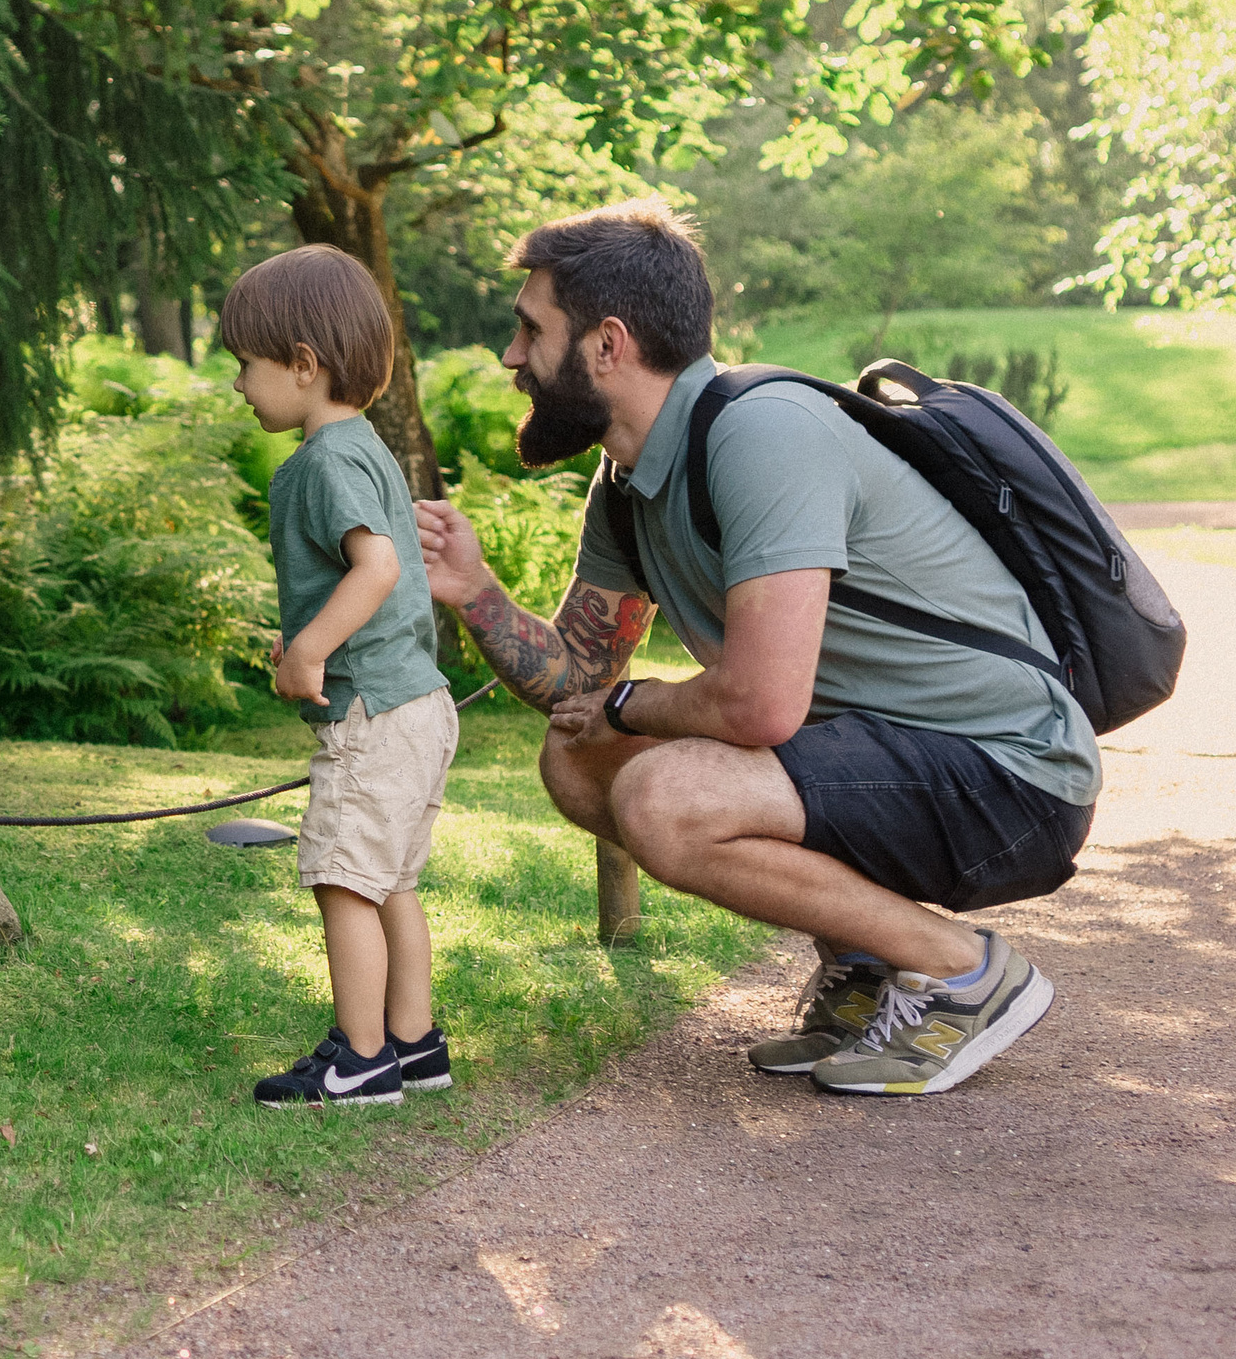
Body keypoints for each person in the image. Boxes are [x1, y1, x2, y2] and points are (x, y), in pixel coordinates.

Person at [413, 198, 1091, 1096]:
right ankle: (865, 968)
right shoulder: (629, 483)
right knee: (585, 759)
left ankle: (965, 971)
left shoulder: (760, 433)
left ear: (607, 344)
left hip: (1010, 775)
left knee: (664, 790)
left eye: (530, 330)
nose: (511, 357)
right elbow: (581, 683)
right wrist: (476, 592)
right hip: (885, 757)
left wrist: (632, 703)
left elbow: (759, 705)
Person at [222, 244, 460, 1108]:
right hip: (417, 704)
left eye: (246, 365)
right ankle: (413, 1043)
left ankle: (359, 1063)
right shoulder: (364, 447)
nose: (240, 385)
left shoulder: (324, 462)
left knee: (343, 880)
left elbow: (377, 567)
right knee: (391, 881)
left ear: (302, 364)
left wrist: (307, 650)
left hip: (374, 714)